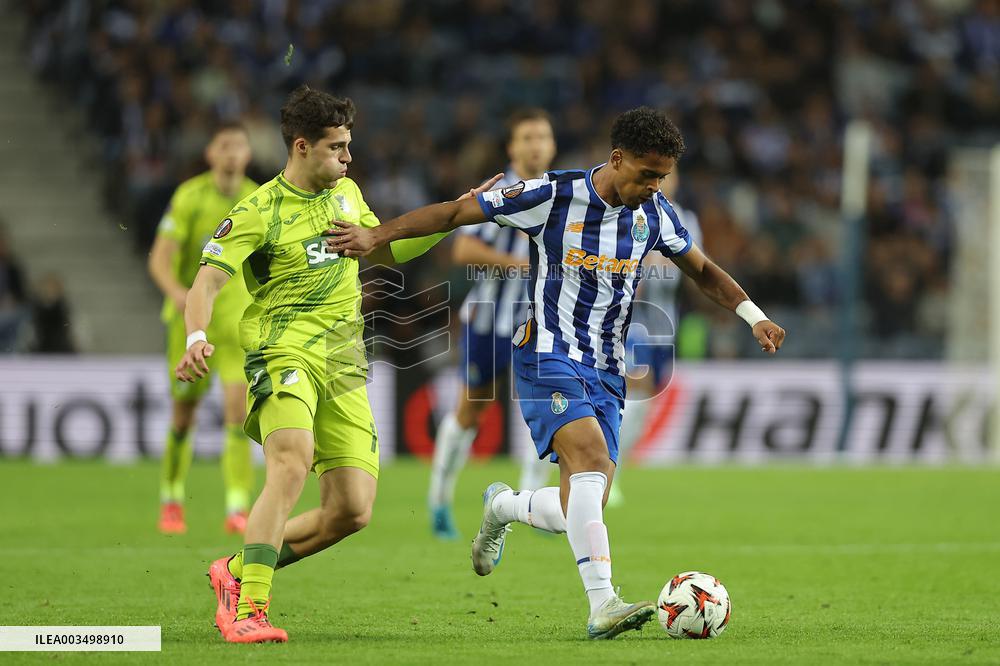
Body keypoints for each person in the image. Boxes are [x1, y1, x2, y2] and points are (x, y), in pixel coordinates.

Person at [328, 107, 786, 640]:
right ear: (617, 159)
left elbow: (702, 271)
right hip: (547, 353)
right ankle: (603, 604)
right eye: (647, 175)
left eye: (662, 178)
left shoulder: (655, 215)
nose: (654, 187)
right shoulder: (554, 194)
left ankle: (503, 506)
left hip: (607, 368)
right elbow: (455, 214)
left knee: (581, 505)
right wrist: (375, 235)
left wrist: (753, 315)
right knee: (588, 459)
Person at [175, 85, 499, 644]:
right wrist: (197, 335)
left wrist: (451, 218)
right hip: (283, 350)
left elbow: (385, 248)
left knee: (351, 510)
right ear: (302, 147)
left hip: (344, 360)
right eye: (337, 147)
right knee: (290, 463)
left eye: (349, 145)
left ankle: (236, 569)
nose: (349, 157)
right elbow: (206, 281)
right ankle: (249, 608)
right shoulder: (258, 210)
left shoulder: (347, 193)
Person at [429, 108, 557, 539]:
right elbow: (463, 250)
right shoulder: (500, 193)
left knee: (549, 408)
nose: (536, 145)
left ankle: (531, 505)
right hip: (490, 319)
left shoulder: (562, 192)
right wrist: (518, 265)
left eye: (542, 137)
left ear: (552, 145)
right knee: (472, 408)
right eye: (527, 137)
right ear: (512, 147)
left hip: (540, 322)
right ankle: (439, 500)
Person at [147, 122, 258, 534]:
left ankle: (237, 506)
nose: (231, 153)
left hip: (236, 324)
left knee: (238, 413)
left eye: (239, 145)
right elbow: (159, 258)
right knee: (184, 415)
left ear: (248, 154)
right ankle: (172, 497)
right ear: (210, 153)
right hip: (191, 322)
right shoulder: (189, 197)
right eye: (224, 145)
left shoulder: (256, 198)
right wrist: (178, 293)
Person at [610, 169, 701, 506]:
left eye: (670, 175)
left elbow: (695, 266)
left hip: (666, 324)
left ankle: (613, 468)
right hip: (636, 319)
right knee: (637, 392)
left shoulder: (686, 218)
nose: (665, 181)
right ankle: (607, 473)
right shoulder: (630, 210)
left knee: (645, 404)